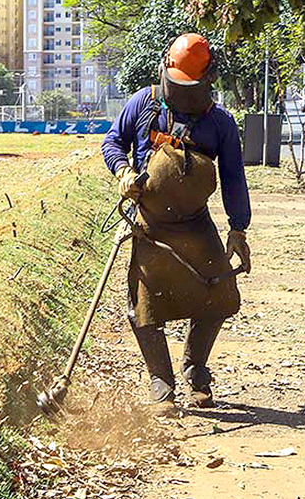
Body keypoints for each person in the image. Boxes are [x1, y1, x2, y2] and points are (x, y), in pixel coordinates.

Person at [101, 33, 252, 413]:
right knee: (143, 307)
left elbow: (234, 177)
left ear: (207, 81)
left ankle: (196, 369)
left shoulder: (220, 123)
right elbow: (112, 143)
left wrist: (238, 229)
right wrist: (123, 171)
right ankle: (161, 381)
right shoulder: (144, 103)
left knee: (220, 295)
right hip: (149, 225)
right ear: (166, 69)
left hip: (196, 225)